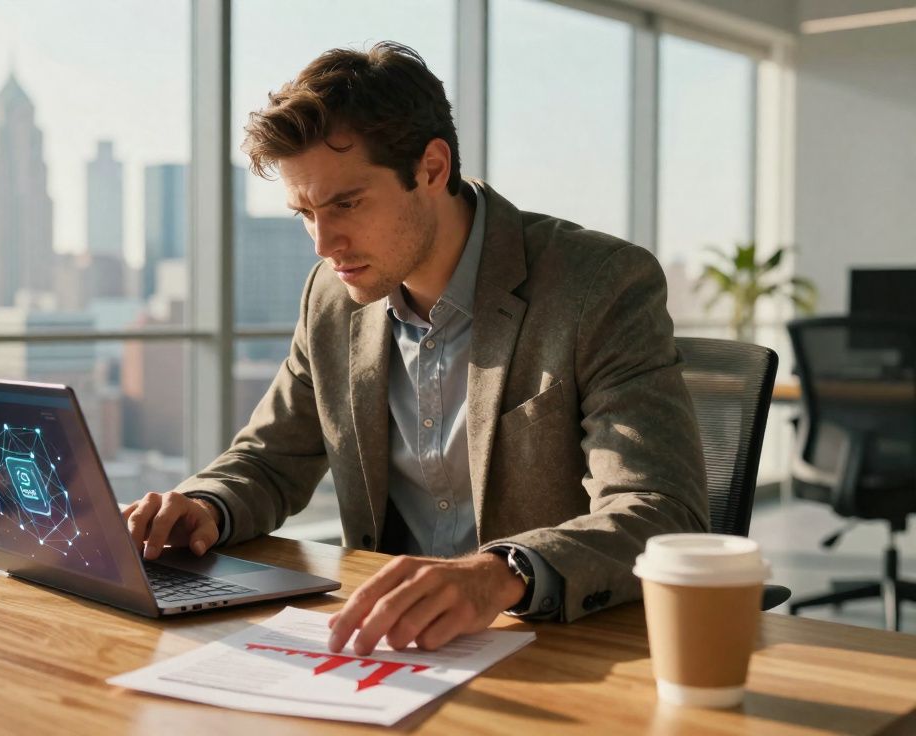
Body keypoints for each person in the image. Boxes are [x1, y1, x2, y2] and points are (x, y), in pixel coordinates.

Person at [122, 41, 708, 656]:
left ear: (431, 168)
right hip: (391, 647)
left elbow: (661, 509)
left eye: (346, 203)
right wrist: (203, 506)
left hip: (556, 645)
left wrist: (502, 572)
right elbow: (271, 460)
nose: (324, 242)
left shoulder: (598, 283)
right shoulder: (332, 295)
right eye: (304, 212)